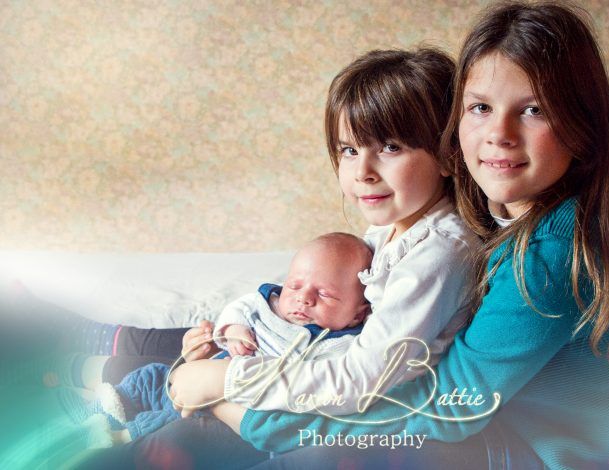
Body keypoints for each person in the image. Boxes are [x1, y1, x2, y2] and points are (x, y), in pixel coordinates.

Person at [224, 2, 609, 469]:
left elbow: (454, 406)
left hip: (538, 452)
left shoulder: (550, 250)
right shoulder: (506, 218)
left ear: (582, 125)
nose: (500, 133)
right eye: (480, 107)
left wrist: (257, 417)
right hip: (512, 432)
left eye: (533, 110)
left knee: (313, 455)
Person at [74, 46, 480, 469]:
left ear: (448, 154)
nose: (363, 172)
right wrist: (227, 344)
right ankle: (88, 362)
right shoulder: (393, 229)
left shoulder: (438, 254)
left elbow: (360, 380)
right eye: (349, 150)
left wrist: (225, 379)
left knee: (170, 427)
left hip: (337, 418)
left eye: (391, 147)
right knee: (169, 361)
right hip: (301, 375)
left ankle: (93, 403)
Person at [75, 232, 373, 444]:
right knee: (150, 377)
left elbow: (322, 385)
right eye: (295, 285)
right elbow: (237, 308)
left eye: (324, 294)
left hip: (234, 403)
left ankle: (117, 438)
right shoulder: (268, 305)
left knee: (178, 424)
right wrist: (231, 330)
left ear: (358, 314)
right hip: (200, 372)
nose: (303, 299)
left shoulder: (339, 347)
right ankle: (100, 409)